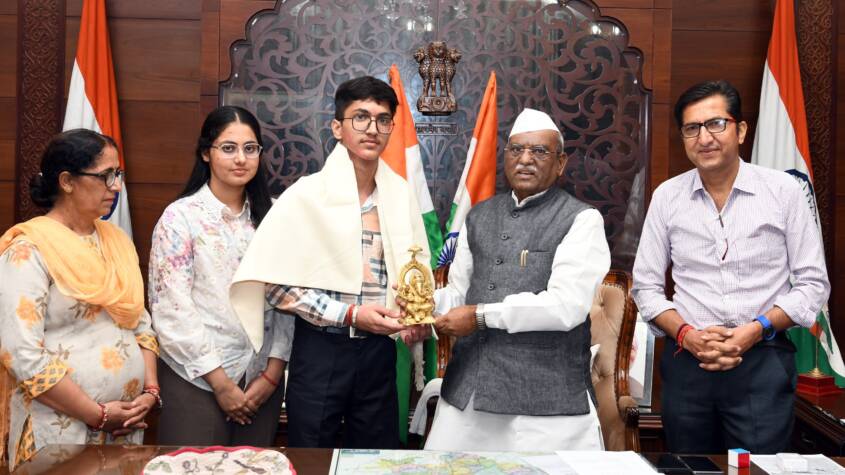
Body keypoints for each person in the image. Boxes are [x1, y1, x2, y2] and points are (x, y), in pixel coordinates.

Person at [230, 76, 431, 449]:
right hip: (321, 350)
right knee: (312, 455)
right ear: (338, 127)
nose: (372, 129)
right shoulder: (305, 195)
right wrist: (349, 315)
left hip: (380, 352)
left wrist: (415, 316)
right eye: (361, 117)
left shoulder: (401, 196)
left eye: (383, 120)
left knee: (374, 461)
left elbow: (415, 277)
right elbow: (275, 286)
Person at [631, 80, 830, 453]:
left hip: (762, 360)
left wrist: (754, 330)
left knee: (757, 469)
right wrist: (687, 335)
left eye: (716, 124)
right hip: (688, 362)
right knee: (691, 467)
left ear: (740, 130)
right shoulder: (667, 197)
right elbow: (646, 288)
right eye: (692, 128)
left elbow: (813, 284)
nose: (704, 137)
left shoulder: (784, 191)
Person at [423, 108, 611, 452]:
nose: (525, 159)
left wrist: (480, 316)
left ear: (561, 163)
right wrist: (423, 307)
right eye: (516, 150)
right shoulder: (479, 215)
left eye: (539, 151)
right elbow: (459, 294)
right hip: (468, 394)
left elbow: (565, 307)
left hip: (545, 401)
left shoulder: (582, 220)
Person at [0, 129, 159, 468]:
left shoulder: (116, 241)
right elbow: (22, 354)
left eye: (118, 174)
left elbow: (140, 323)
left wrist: (149, 392)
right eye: (106, 176)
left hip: (126, 425)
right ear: (67, 181)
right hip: (58, 430)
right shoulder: (29, 251)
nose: (117, 186)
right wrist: (98, 415)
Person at [148, 106, 289, 446]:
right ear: (205, 153)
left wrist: (273, 373)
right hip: (197, 377)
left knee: (257, 467)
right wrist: (221, 383)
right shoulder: (180, 218)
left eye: (250, 148)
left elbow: (290, 298)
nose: (241, 158)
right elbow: (172, 308)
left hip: (261, 380)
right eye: (228, 148)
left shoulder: (274, 216)